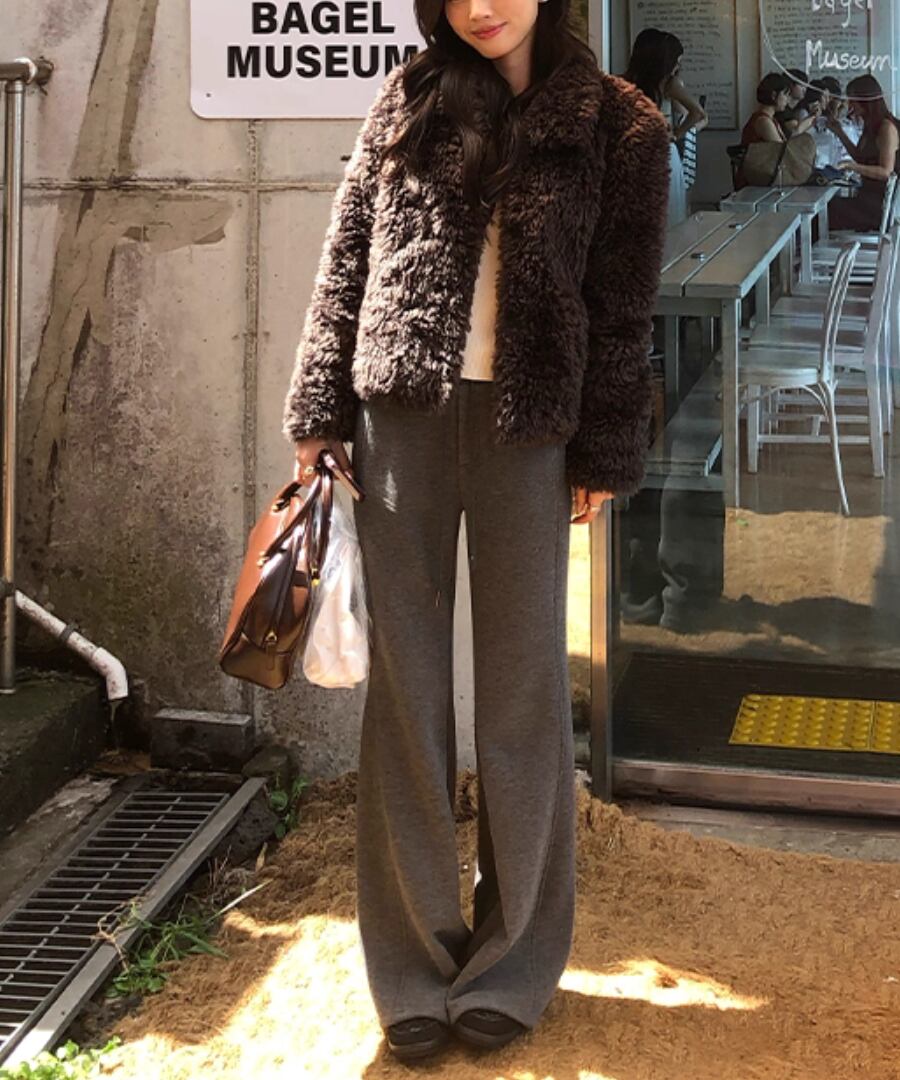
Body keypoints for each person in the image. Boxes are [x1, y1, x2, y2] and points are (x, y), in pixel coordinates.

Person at [282, 0, 670, 1065]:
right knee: (405, 695)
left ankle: (511, 964)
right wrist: (318, 412)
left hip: (531, 430)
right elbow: (348, 254)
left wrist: (603, 451)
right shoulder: (411, 94)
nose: (481, 9)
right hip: (400, 417)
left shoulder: (621, 123)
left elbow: (624, 304)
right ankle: (411, 967)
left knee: (522, 693)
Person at [624, 28, 708, 226]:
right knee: (667, 217)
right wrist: (677, 134)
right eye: (676, 61)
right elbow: (698, 113)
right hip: (661, 153)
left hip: (636, 152)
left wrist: (677, 133)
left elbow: (697, 114)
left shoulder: (625, 81)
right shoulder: (669, 83)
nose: (678, 66)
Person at [827, 74, 900, 232]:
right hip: (867, 197)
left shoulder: (887, 128)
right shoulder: (871, 125)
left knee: (825, 211)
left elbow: (886, 172)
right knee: (828, 207)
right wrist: (839, 132)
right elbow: (861, 158)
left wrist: (852, 166)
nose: (850, 105)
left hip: (877, 207)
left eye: (853, 100)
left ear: (865, 100)